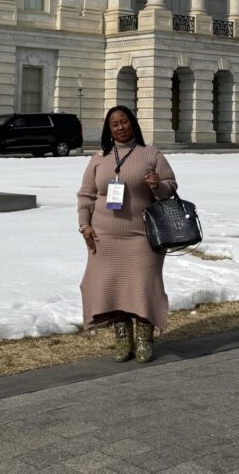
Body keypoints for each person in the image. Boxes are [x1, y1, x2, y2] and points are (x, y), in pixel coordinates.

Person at [77, 104, 177, 362]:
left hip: (142, 236)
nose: (120, 127)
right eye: (115, 124)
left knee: (143, 285)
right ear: (108, 129)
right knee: (113, 286)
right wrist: (84, 225)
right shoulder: (99, 158)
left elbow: (170, 186)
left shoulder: (151, 154)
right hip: (104, 237)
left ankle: (144, 337)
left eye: (124, 121)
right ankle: (123, 338)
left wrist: (157, 185)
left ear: (133, 123)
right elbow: (86, 195)